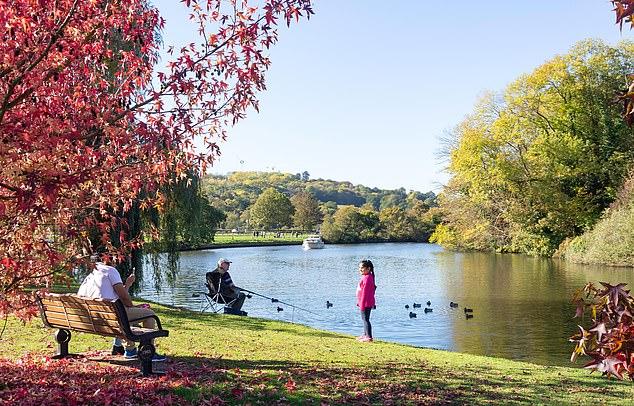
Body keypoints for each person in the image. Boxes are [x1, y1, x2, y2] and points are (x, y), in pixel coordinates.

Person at [77, 257, 166, 360]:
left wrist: (127, 284)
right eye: (115, 259)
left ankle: (130, 350)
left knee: (124, 316)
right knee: (150, 314)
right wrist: (132, 307)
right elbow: (124, 299)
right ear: (108, 259)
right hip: (111, 315)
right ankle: (147, 351)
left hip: (95, 318)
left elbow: (118, 297)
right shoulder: (110, 270)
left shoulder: (90, 276)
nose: (117, 262)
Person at [356, 259, 376, 343]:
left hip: (366, 303)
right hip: (365, 302)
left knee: (365, 319)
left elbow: (365, 293)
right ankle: (365, 335)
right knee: (364, 319)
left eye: (362, 268)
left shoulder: (367, 278)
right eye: (359, 268)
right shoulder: (367, 277)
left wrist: (362, 304)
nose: (360, 269)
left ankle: (369, 337)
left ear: (368, 269)